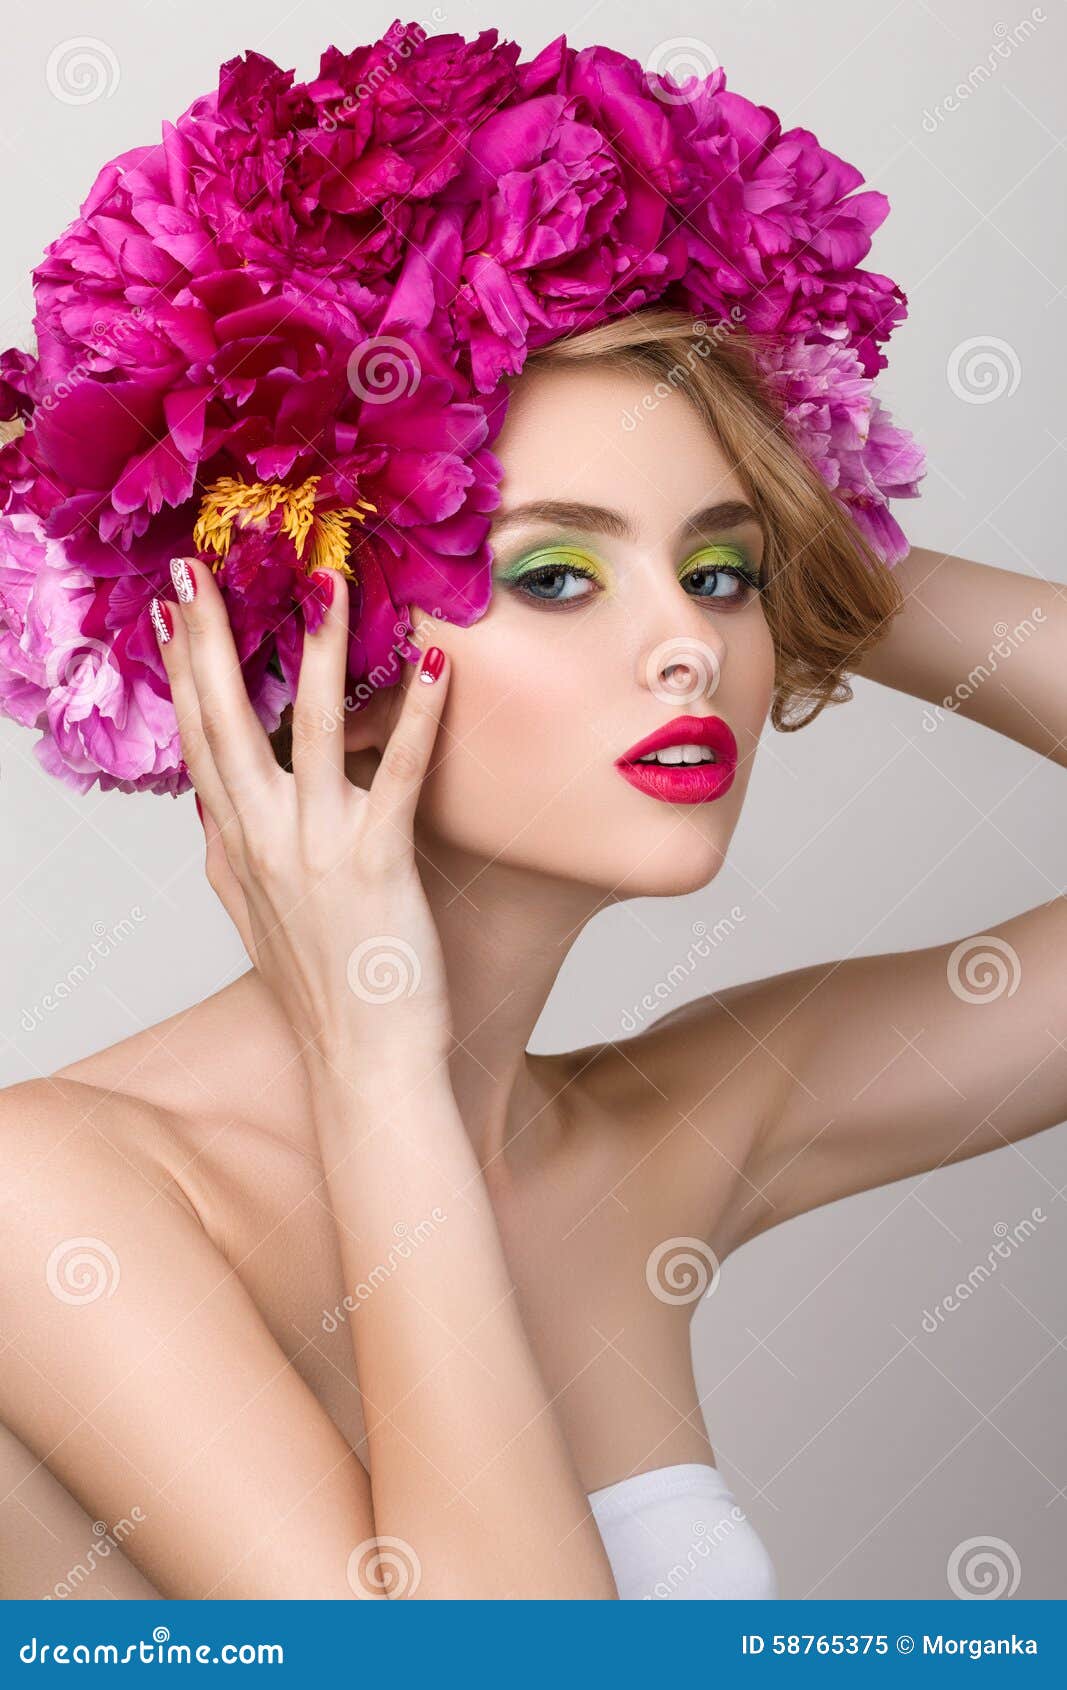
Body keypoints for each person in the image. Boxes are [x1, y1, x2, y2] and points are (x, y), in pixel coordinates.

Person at [1, 27, 1061, 1602]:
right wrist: (376, 1061)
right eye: (555, 575)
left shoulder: (655, 1140)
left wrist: (801, 520)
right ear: (324, 654)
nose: (693, 643)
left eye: (720, 575)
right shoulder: (53, 1198)